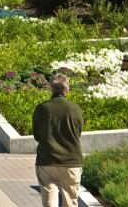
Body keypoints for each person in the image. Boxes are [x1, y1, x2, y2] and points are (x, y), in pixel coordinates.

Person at [32, 74, 85, 207]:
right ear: (66, 89)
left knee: (49, 200)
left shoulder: (42, 109)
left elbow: (37, 135)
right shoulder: (75, 109)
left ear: (51, 88)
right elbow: (78, 133)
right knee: (70, 202)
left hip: (47, 160)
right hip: (71, 161)